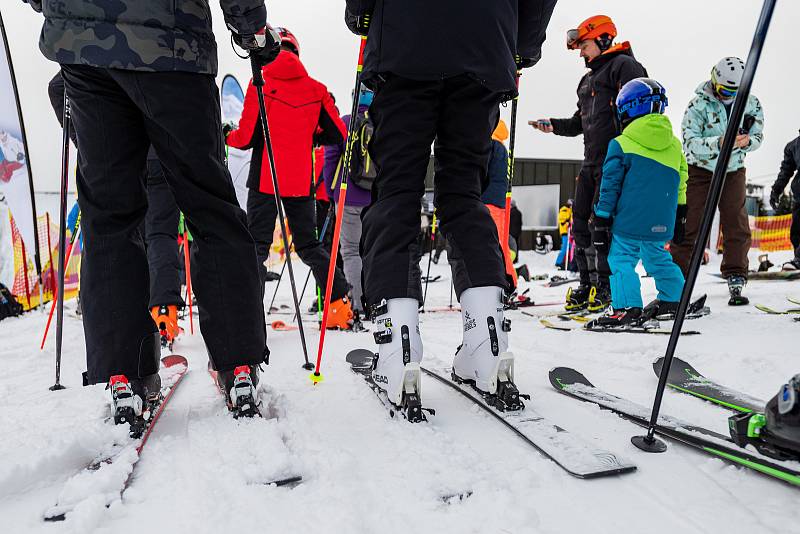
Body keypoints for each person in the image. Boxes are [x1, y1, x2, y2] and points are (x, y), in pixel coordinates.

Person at [26, 0, 275, 422]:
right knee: (211, 207)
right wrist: (250, 29)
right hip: (173, 44)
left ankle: (126, 373)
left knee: (108, 217)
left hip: (84, 49)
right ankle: (238, 364)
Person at [344, 0, 557, 418]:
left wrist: (361, 12)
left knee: (397, 190)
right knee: (463, 194)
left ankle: (398, 342)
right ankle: (486, 337)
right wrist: (522, 44)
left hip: (404, 43)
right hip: (485, 46)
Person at [225, 27, 355, 330]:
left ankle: (248, 314)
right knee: (309, 247)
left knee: (257, 246)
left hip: (264, 179)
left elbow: (245, 138)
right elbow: (339, 134)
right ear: (296, 52)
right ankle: (338, 304)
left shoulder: (260, 83)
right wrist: (311, 135)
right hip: (300, 182)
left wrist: (227, 136)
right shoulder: (316, 89)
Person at [530, 15, 647, 313]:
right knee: (579, 224)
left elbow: (640, 112)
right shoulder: (588, 79)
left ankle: (607, 287)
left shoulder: (625, 67)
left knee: (602, 227)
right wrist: (553, 125)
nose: (580, 52)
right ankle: (588, 283)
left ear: (603, 38)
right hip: (590, 163)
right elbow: (577, 122)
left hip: (615, 160)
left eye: (584, 45)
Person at [591, 78, 687, 327]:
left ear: (628, 108)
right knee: (657, 259)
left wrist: (602, 217)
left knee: (621, 260)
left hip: (629, 220)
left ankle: (625, 307)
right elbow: (681, 183)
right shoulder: (675, 146)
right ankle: (674, 299)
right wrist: (681, 216)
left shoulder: (621, 144)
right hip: (661, 222)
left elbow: (610, 185)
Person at [670, 57, 764, 305]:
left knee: (736, 220)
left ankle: (735, 273)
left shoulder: (750, 103)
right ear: (714, 82)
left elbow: (758, 134)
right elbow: (689, 142)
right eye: (724, 90)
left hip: (733, 169)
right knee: (690, 222)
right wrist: (719, 143)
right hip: (700, 170)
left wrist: (748, 142)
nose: (728, 96)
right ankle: (678, 278)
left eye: (735, 92)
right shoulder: (698, 105)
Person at [323, 87, 374, 321]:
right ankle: (374, 299)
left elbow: (330, 160)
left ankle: (356, 303)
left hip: (348, 197)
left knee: (351, 252)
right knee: (372, 250)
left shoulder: (344, 123)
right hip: (374, 199)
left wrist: (331, 194)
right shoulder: (380, 124)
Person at [481, 119, 517, 287]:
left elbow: (482, 174)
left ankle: (506, 283)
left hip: (488, 201)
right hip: (500, 202)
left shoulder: (491, 146)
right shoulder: (502, 148)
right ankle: (509, 281)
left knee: (493, 245)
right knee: (500, 244)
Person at [770, 130, 800, 271]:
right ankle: (798, 259)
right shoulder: (793, 146)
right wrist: (776, 190)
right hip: (799, 196)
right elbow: (786, 171)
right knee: (796, 231)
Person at [554, 199, 573, 269]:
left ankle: (570, 262)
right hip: (565, 232)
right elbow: (562, 220)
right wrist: (568, 221)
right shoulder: (564, 210)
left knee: (571, 248)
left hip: (570, 233)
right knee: (564, 248)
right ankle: (558, 262)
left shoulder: (570, 210)